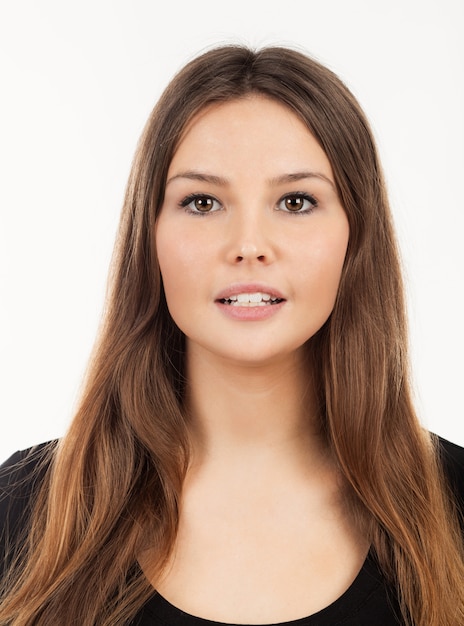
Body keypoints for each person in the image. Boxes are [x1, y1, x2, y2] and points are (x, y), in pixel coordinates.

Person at [0, 44, 463, 626]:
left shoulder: (457, 506)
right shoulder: (24, 512)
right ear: (152, 238)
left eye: (296, 201)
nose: (248, 243)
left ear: (356, 236)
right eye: (203, 201)